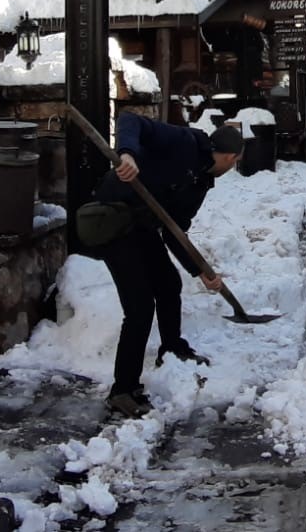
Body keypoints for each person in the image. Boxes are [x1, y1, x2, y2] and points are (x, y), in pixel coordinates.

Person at [93, 111, 243, 418]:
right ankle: (123, 390)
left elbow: (175, 231)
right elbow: (129, 119)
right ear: (230, 157)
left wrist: (201, 271)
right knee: (139, 307)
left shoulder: (200, 183)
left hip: (142, 226)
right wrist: (128, 154)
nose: (235, 165)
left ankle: (172, 347)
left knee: (168, 283)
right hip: (112, 219)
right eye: (236, 160)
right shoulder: (184, 142)